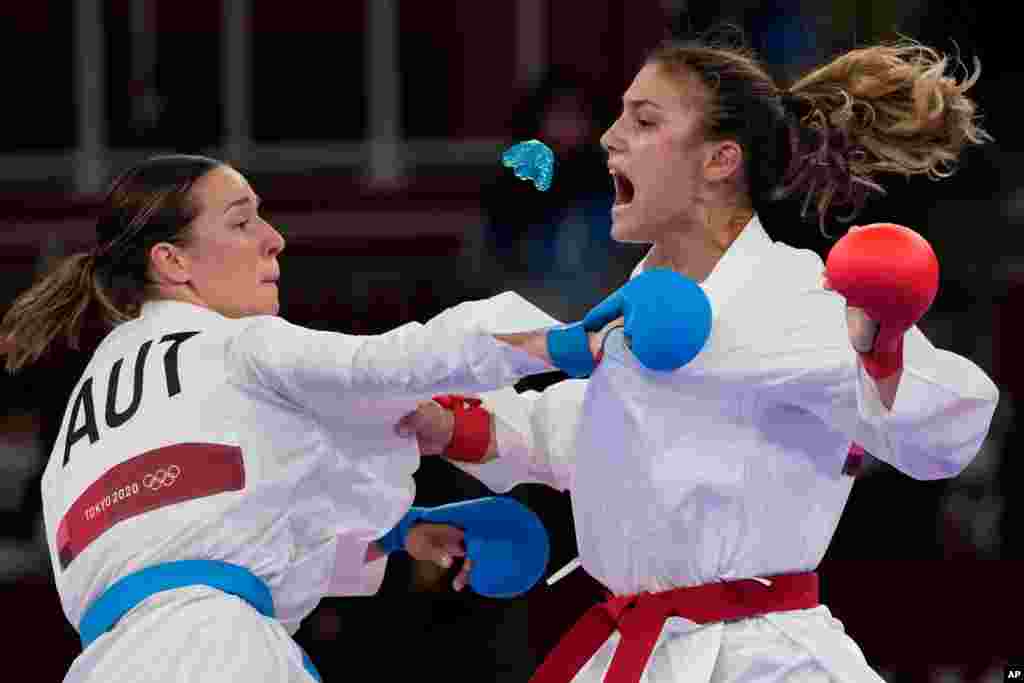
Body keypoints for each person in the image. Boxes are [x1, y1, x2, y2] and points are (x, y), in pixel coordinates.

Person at [397, 37, 999, 682]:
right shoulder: (640, 310)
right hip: (641, 650)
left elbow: (947, 431)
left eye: (644, 119)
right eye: (620, 114)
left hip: (760, 659)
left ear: (720, 159)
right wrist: (461, 425)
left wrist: (879, 349)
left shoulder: (789, 295)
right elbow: (621, 438)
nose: (609, 137)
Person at [0, 153, 697, 682]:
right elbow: (393, 363)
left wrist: (401, 534)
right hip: (221, 654)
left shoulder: (86, 413)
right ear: (173, 261)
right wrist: (560, 343)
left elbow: (199, 526)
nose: (273, 238)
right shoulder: (237, 343)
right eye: (242, 221)